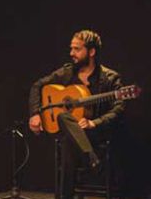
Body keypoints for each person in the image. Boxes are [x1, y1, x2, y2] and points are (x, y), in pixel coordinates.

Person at [28, 30, 125, 199]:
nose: (71, 53)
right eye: (71, 49)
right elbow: (37, 86)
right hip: (73, 132)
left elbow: (119, 109)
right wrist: (35, 113)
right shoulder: (67, 73)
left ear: (91, 52)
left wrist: (94, 122)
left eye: (77, 49)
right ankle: (92, 160)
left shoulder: (110, 78)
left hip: (97, 133)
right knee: (64, 118)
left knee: (68, 143)